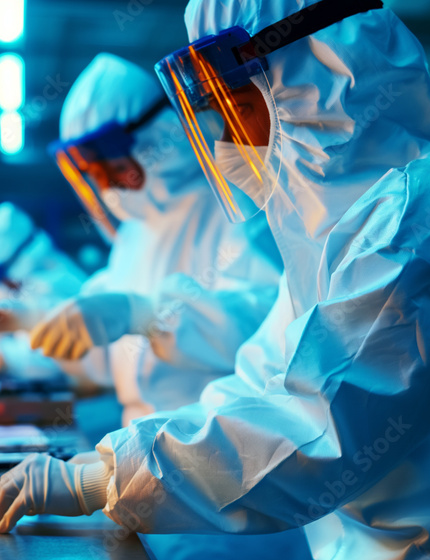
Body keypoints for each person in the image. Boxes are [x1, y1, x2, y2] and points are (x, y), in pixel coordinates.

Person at [0, 1, 430, 558]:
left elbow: (313, 426)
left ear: (314, 74)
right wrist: (107, 464)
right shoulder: (335, 233)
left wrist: (112, 479)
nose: (226, 137)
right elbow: (261, 377)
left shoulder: (423, 219)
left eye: (234, 102)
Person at [33, 53, 284, 425]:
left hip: (220, 438)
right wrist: (37, 324)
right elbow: (107, 364)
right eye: (94, 173)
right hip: (143, 442)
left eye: (115, 166)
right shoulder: (133, 237)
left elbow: (269, 326)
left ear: (157, 139)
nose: (107, 185)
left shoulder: (235, 205)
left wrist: (145, 314)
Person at [0, 202, 95, 381]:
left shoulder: (49, 285)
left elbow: (48, 358)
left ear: (17, 263)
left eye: (2, 279)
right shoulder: (49, 272)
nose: (3, 286)